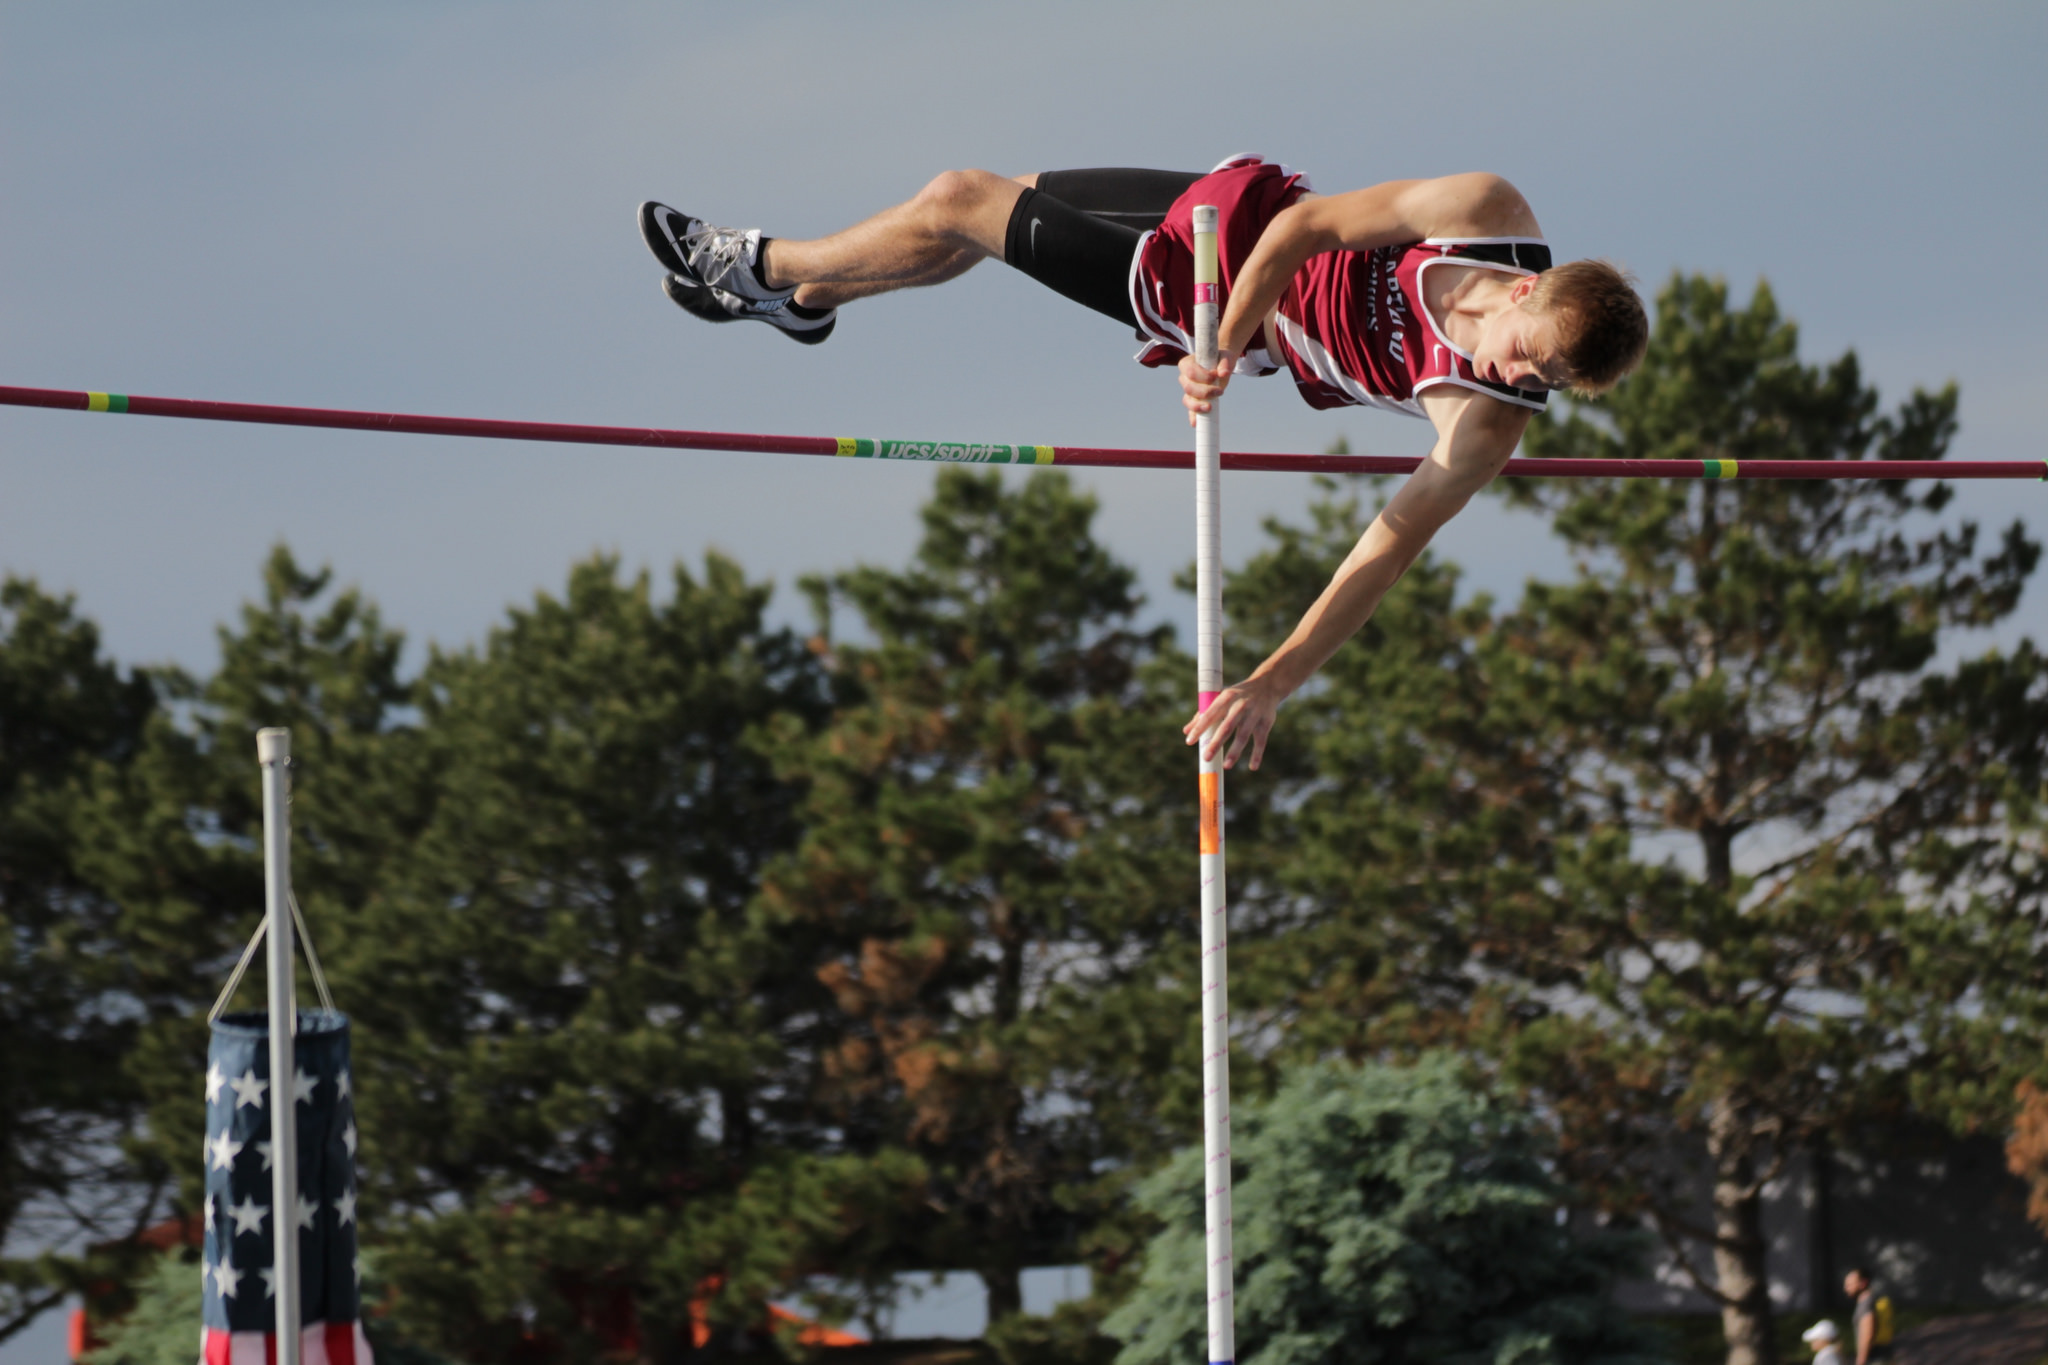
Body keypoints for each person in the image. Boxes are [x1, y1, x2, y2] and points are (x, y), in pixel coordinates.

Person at [637, 157, 1649, 767]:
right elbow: (1308, 227)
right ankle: (804, 302)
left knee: (960, 201)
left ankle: (761, 267)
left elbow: (1380, 554)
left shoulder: (1481, 426)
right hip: (1249, 228)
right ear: (1529, 293)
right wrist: (1225, 330)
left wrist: (1270, 683)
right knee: (973, 210)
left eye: (1548, 384)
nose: (1520, 379)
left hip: (1206, 297)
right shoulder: (1484, 210)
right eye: (1531, 355)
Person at [1844, 1268, 1895, 1364]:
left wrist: (1861, 1361)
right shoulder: (1873, 1300)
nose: (1846, 1288)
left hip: (1874, 1359)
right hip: (1885, 1356)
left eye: (1850, 1284)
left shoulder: (1866, 1304)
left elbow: (1867, 1333)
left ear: (1863, 1283)